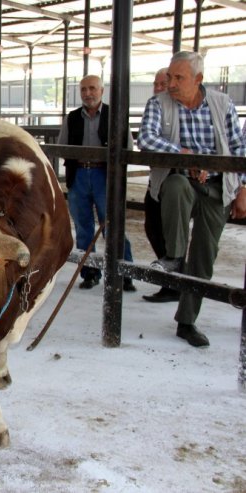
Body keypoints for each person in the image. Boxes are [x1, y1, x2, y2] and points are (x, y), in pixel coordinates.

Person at [138, 50, 246, 348]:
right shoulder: (158, 104)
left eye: (178, 78)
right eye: (170, 77)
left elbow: (238, 149)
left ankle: (187, 321)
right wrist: (185, 156)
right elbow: (146, 138)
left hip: (217, 186)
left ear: (198, 79)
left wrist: (242, 189)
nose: (171, 83)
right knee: (174, 185)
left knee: (204, 256)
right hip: (182, 181)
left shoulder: (222, 104)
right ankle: (173, 255)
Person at [58, 74, 135, 291]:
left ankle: (124, 273)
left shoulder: (115, 115)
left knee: (112, 226)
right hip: (80, 175)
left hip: (104, 176)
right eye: (83, 89)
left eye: (92, 88)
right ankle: (90, 273)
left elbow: (127, 147)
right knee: (83, 228)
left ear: (102, 91)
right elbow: (63, 146)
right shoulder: (72, 118)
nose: (87, 93)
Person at [142, 68, 180, 303]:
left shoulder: (178, 110)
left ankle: (177, 285)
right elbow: (147, 141)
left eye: (162, 84)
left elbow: (153, 141)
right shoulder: (155, 106)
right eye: (155, 84)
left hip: (177, 181)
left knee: (174, 233)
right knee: (153, 228)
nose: (158, 88)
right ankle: (170, 283)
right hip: (157, 180)